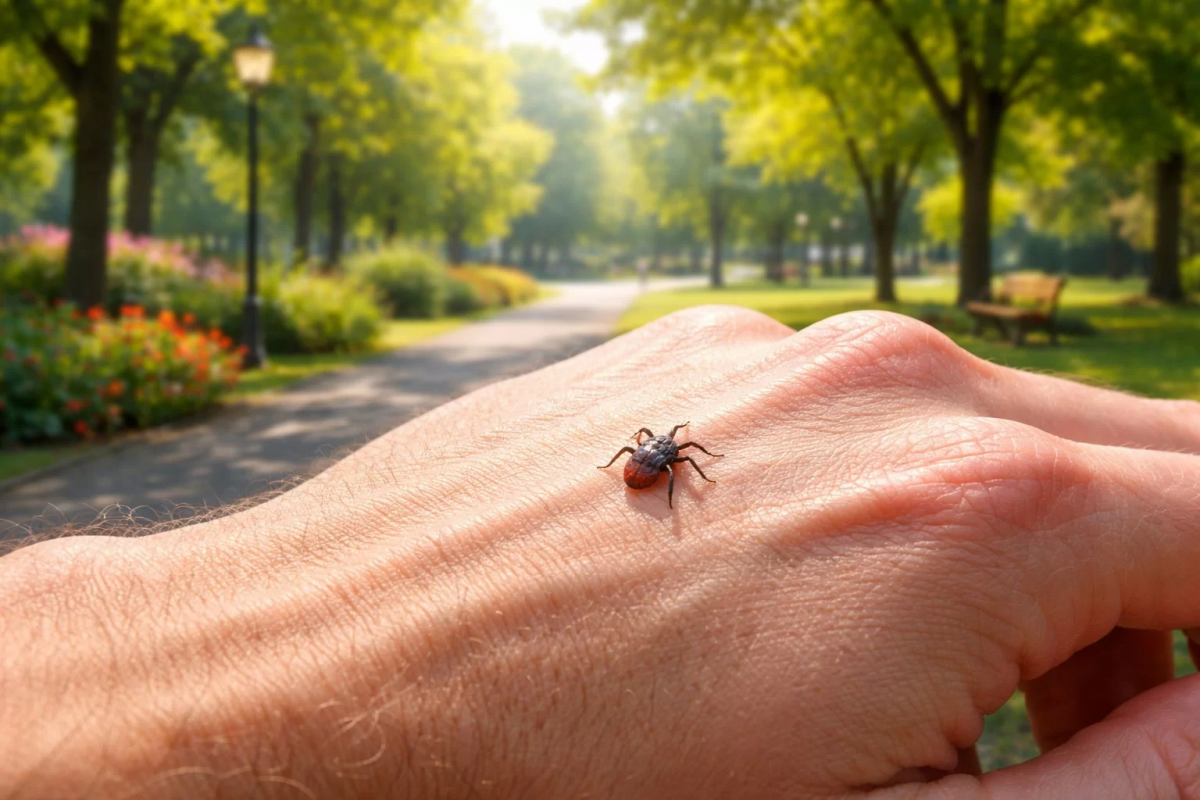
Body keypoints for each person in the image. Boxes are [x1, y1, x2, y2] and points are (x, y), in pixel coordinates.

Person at [3, 306, 1200, 799]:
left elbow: (643, 462)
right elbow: (670, 472)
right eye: (669, 449)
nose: (671, 453)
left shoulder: (650, 452)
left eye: (668, 450)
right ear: (662, 449)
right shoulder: (671, 463)